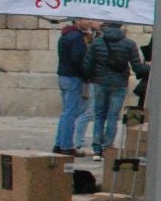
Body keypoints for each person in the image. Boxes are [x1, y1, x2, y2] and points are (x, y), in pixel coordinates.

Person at [83, 19, 147, 155]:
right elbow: (138, 68)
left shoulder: (97, 43)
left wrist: (90, 78)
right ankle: (107, 145)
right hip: (119, 83)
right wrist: (150, 67)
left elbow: (87, 65)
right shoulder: (129, 44)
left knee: (99, 115)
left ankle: (96, 147)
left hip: (100, 82)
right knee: (113, 116)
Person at [53, 17, 94, 156]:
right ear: (77, 20)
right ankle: (66, 145)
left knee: (66, 113)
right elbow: (78, 59)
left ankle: (59, 143)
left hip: (63, 76)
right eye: (86, 19)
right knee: (70, 113)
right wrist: (86, 74)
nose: (89, 22)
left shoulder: (65, 35)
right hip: (73, 77)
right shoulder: (77, 37)